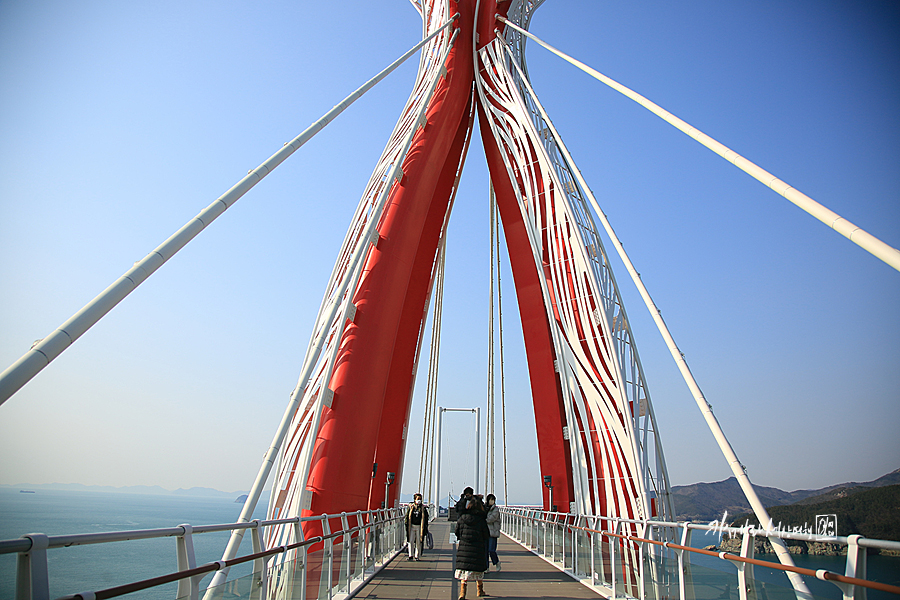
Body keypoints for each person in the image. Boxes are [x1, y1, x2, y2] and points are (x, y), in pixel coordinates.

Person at [454, 495, 490, 598]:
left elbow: (457, 531)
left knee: (464, 570)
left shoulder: (462, 518)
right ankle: (480, 590)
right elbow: (486, 534)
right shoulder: (481, 520)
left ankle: (462, 593)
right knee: (478, 570)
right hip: (478, 548)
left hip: (464, 547)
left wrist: (463, 537)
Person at [405, 493, 429, 561]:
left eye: (420, 499)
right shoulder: (411, 507)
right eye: (418, 499)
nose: (419, 501)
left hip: (419, 527)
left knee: (419, 541)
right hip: (411, 526)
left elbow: (426, 518)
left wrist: (425, 526)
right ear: (415, 500)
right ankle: (410, 555)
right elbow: (407, 516)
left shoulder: (423, 508)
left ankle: (417, 555)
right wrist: (406, 524)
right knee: (411, 541)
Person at [484, 493, 501, 572]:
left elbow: (491, 519)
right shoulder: (485, 508)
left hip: (493, 533)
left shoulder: (495, 509)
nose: (491, 501)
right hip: (485, 532)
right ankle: (486, 567)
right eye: (490, 499)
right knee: (485, 551)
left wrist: (484, 519)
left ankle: (496, 562)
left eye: (493, 500)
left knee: (491, 550)